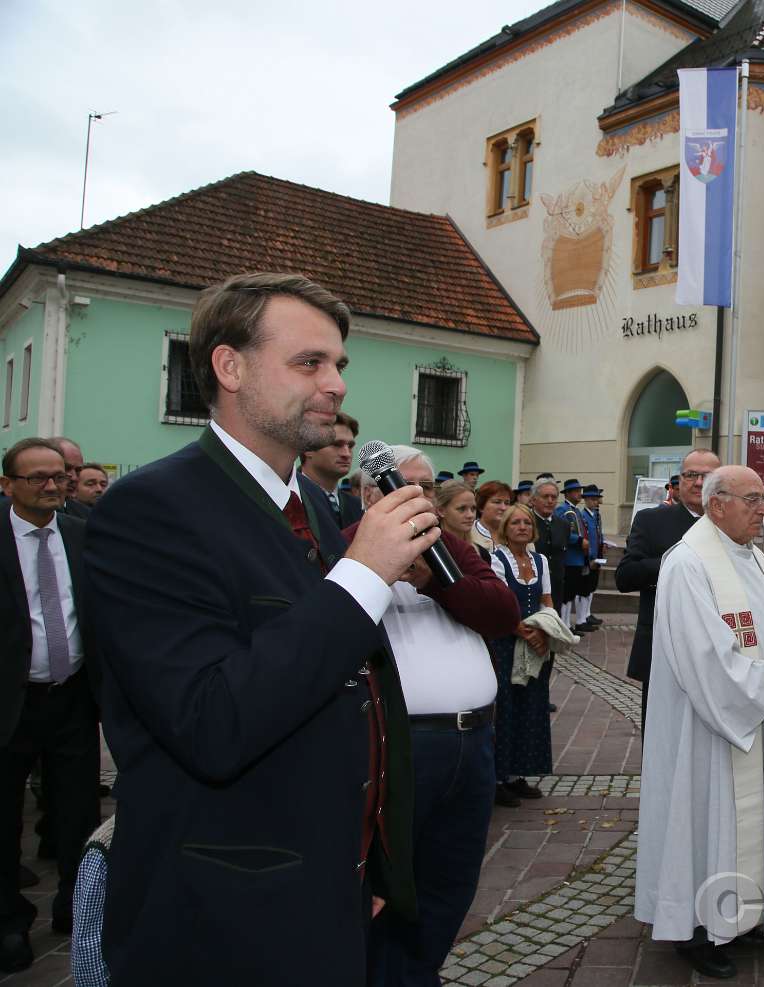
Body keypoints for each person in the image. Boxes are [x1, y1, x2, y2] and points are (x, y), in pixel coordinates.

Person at [83, 272, 438, 984]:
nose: (335, 384)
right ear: (230, 366)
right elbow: (212, 722)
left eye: (339, 364)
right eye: (310, 363)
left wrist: (373, 860)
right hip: (222, 914)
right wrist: (364, 576)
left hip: (330, 889)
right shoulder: (148, 510)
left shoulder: (309, 499)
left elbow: (358, 689)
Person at [352, 446, 519, 987]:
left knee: (450, 880)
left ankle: (416, 973)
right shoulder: (349, 547)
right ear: (370, 494)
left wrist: (432, 580)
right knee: (388, 880)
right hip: (400, 747)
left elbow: (501, 612)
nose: (420, 497)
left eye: (427, 487)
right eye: (406, 485)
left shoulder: (449, 549)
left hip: (473, 744)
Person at [636, 466, 764, 978]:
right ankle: (694, 927)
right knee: (702, 816)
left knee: (754, 820)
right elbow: (705, 658)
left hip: (762, 716)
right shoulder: (689, 563)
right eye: (753, 499)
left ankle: (744, 914)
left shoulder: (755, 556)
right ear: (717, 505)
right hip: (708, 729)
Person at [0, 438, 100, 972]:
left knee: (78, 811)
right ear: (7, 484)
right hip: (10, 700)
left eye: (58, 475)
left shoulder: (84, 535)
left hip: (74, 697)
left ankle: (74, 905)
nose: (51, 485)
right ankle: (10, 923)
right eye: (37, 477)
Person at [616, 449, 718, 729]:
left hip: (717, 652)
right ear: (679, 481)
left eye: (706, 476)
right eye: (690, 475)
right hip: (664, 649)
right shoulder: (652, 521)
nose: (698, 482)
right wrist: (676, 563)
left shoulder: (729, 523)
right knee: (661, 739)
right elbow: (625, 577)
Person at [487, 504, 560, 808]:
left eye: (527, 523)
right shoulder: (497, 559)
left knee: (532, 703)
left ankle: (520, 773)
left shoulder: (540, 560)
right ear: (505, 528)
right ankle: (498, 778)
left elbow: (547, 600)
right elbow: (499, 603)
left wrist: (545, 631)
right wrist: (524, 631)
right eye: (515, 522)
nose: (522, 527)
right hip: (506, 640)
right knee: (506, 706)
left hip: (535, 642)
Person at [299, 410, 363, 527]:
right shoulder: (289, 499)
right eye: (336, 444)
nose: (347, 454)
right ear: (308, 448)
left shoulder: (358, 507)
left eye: (350, 446)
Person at [530, 480, 570, 620]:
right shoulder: (526, 522)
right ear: (534, 500)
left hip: (556, 589)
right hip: (532, 589)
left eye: (553, 497)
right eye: (545, 496)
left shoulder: (563, 525)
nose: (550, 501)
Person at [554, 480, 589, 629]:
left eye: (579, 490)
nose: (579, 493)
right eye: (575, 491)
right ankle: (564, 624)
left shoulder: (575, 510)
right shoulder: (563, 509)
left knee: (571, 593)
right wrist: (579, 540)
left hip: (578, 557)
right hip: (570, 557)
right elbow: (563, 531)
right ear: (567, 494)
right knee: (566, 594)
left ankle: (568, 624)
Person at [572, 484, 607, 632]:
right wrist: (590, 557)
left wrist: (603, 544)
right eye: (592, 499)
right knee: (583, 588)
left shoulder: (595, 515)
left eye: (596, 499)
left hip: (597, 554)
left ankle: (586, 614)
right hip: (588, 556)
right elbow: (584, 538)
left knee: (591, 586)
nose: (595, 502)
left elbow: (599, 533)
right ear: (585, 500)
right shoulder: (582, 516)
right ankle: (581, 618)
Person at [434, 480, 482, 559]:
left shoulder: (481, 553)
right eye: (462, 509)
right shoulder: (433, 550)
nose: (470, 515)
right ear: (441, 511)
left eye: (473, 509)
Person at [471, 480, 512, 554]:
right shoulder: (468, 533)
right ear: (481, 506)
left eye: (507, 503)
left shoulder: (516, 532)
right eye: (497, 502)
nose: (503, 508)